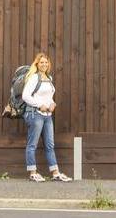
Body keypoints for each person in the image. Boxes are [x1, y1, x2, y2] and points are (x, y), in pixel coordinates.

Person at [22, 52, 71, 182]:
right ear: (37, 64)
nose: (44, 64)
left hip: (47, 115)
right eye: (42, 62)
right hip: (35, 114)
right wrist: (39, 105)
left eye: (46, 62)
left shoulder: (48, 77)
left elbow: (48, 96)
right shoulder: (34, 78)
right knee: (32, 144)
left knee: (50, 145)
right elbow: (25, 96)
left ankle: (55, 173)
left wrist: (52, 103)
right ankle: (32, 172)